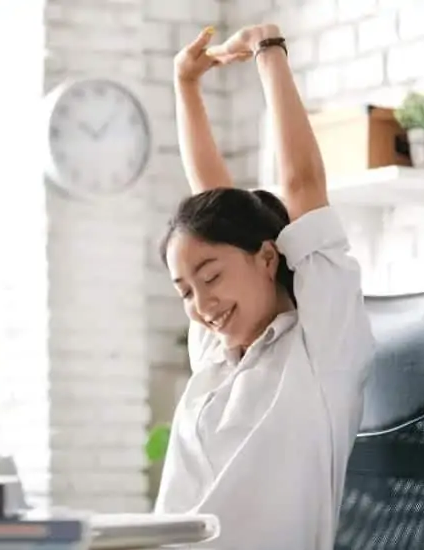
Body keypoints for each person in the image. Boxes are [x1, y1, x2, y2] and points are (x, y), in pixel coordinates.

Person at [154, 23, 377, 550]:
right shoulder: (216, 354)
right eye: (185, 291)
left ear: (268, 257)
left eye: (209, 279)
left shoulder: (321, 346)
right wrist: (185, 84)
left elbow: (301, 184)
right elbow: (211, 205)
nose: (202, 305)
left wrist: (268, 50)